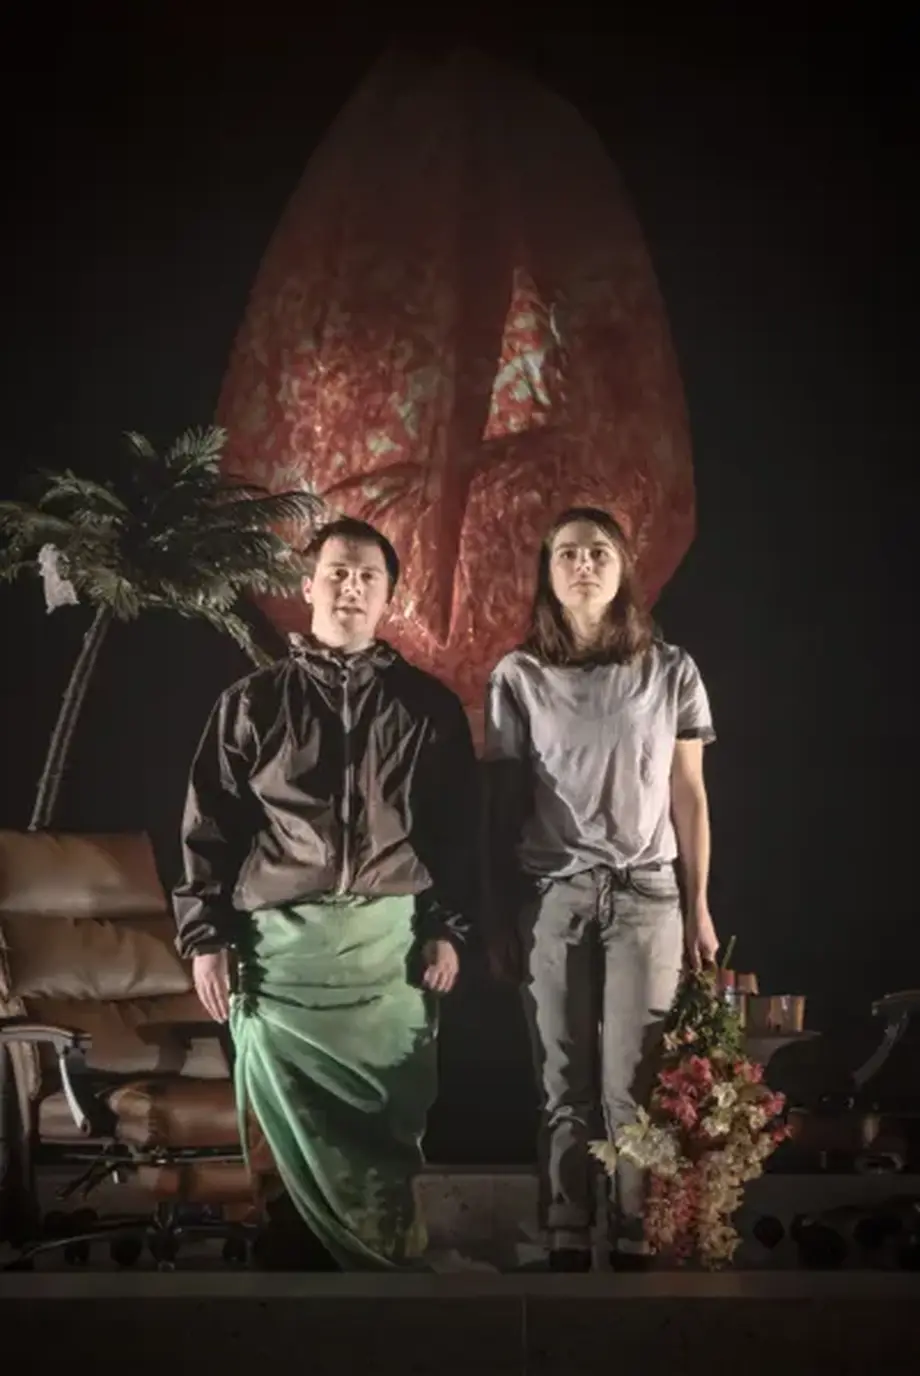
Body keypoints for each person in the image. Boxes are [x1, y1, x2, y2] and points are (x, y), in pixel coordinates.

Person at [173, 516, 478, 1271]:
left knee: (386, 1119)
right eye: (337, 572)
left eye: (369, 576)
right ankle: (286, 1278)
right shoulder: (252, 702)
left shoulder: (427, 707)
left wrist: (448, 929)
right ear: (306, 587)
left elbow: (455, 831)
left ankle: (384, 1281)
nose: (351, 587)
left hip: (387, 956)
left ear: (389, 597)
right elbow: (209, 829)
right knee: (283, 1126)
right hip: (282, 959)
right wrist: (205, 939)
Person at [483, 506, 718, 1272]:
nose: (584, 565)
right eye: (568, 555)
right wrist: (499, 914)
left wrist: (699, 906)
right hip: (554, 894)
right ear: (547, 574)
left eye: (599, 553)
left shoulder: (671, 670)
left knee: (633, 1080)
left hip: (647, 894)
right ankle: (564, 1228)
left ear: (623, 569)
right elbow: (502, 805)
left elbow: (689, 795)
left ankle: (632, 1231)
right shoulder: (518, 677)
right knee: (564, 1081)